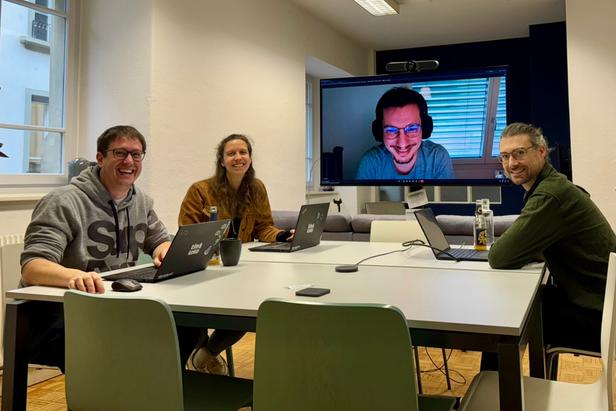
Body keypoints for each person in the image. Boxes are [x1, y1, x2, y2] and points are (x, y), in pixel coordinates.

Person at [20, 125, 199, 371]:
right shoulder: (62, 201)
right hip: (61, 313)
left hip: (115, 305)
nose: (129, 161)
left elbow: (159, 240)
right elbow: (32, 267)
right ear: (100, 158)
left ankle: (154, 389)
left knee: (188, 326)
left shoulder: (141, 201)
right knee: (129, 344)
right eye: (120, 153)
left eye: (136, 154)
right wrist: (75, 276)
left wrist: (164, 250)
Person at [484, 122, 616, 368]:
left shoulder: (549, 195)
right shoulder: (554, 185)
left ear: (541, 151)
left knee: (501, 314)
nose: (511, 163)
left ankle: (493, 388)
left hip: (602, 316)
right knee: (523, 303)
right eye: (505, 156)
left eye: (519, 153)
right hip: (601, 302)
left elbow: (499, 257)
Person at [178, 133, 291, 375]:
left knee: (253, 307)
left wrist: (282, 236)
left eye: (243, 152)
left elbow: (263, 227)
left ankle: (204, 355)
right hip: (206, 270)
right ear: (221, 161)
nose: (238, 157)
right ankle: (202, 353)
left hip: (241, 268)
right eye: (231, 153)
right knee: (199, 312)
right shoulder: (200, 191)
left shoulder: (257, 188)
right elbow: (187, 233)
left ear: (250, 157)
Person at [356, 87, 454, 180]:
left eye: (412, 129)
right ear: (379, 132)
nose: (402, 143)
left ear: (424, 128)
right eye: (391, 130)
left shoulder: (438, 158)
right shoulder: (370, 162)